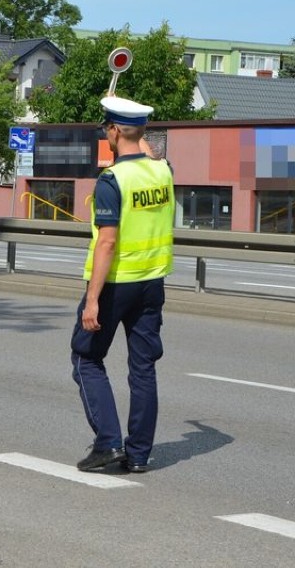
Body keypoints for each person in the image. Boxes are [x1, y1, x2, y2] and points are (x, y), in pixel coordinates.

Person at [71, 95, 175, 473]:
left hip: (117, 283)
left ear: (113, 131)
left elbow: (108, 242)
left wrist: (92, 300)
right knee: (143, 368)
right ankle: (139, 454)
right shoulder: (164, 172)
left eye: (107, 129)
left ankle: (108, 444)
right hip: (152, 283)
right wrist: (137, 133)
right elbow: (148, 151)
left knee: (85, 357)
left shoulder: (111, 181)